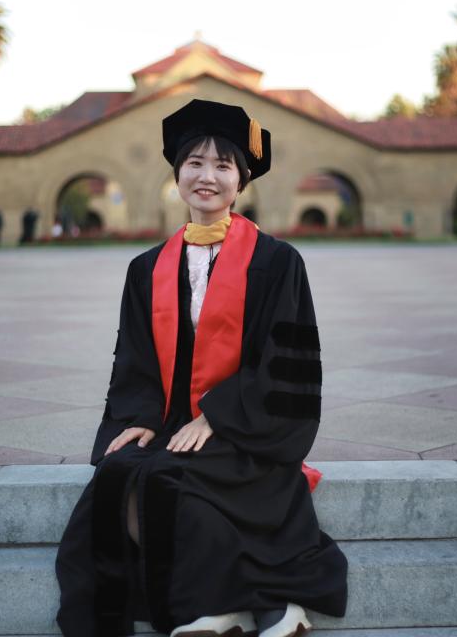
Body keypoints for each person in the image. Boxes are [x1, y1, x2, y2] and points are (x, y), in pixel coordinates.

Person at [54, 99, 348, 637]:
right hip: (170, 421)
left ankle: (224, 604)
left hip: (247, 424)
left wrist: (217, 416)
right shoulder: (146, 268)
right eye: (194, 163)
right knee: (119, 472)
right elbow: (135, 357)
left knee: (171, 476)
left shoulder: (277, 262)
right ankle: (215, 607)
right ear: (177, 175)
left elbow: (285, 368)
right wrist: (138, 416)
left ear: (241, 182)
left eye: (222, 166)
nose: (206, 177)